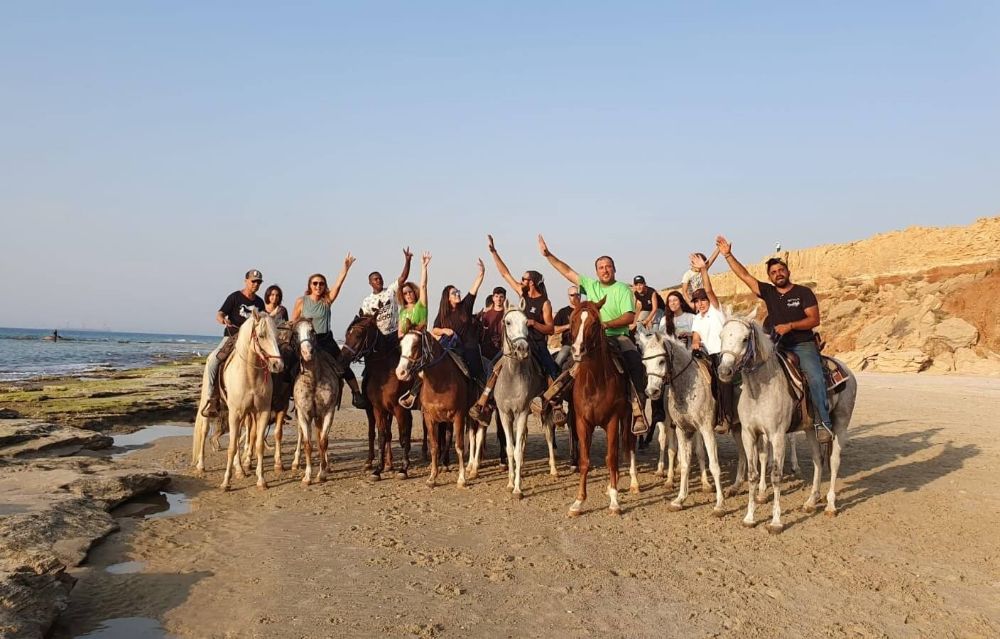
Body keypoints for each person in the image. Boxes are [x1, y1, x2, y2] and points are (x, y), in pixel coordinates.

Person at [716, 235, 834, 443]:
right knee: (746, 371)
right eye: (773, 273)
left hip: (801, 345)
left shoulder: (803, 292)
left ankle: (823, 422)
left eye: (781, 270)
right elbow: (745, 276)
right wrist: (728, 255)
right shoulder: (769, 292)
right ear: (770, 277)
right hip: (777, 345)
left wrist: (790, 326)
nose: (778, 274)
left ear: (788, 272)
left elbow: (814, 319)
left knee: (815, 377)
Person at [536, 234, 648, 434]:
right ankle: (555, 401)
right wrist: (548, 255)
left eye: (608, 266)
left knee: (634, 361)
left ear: (614, 269)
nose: (605, 270)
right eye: (601, 267)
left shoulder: (622, 289)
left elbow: (630, 317)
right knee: (566, 361)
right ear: (596, 272)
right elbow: (567, 271)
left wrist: (604, 325)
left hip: (617, 336)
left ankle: (638, 409)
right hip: (592, 338)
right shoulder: (591, 285)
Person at [470, 235, 562, 425]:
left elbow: (551, 328)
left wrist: (534, 324)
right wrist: (494, 252)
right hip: (516, 344)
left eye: (524, 279)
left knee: (551, 368)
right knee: (494, 367)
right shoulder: (522, 294)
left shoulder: (544, 303)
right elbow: (505, 273)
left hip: (536, 343)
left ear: (533, 282)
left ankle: (556, 406)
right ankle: (484, 404)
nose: (521, 281)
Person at [291, 254, 370, 409]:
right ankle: (287, 394)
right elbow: (294, 321)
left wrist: (345, 268)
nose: (318, 286)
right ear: (310, 285)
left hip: (326, 340)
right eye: (315, 283)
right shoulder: (301, 301)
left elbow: (338, 284)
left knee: (343, 365)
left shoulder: (327, 300)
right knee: (291, 364)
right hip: (307, 340)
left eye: (321, 283)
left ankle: (356, 393)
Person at [199, 269, 266, 416]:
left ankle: (268, 397)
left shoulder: (260, 302)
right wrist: (223, 320)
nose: (256, 284)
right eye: (253, 281)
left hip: (252, 341)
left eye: (258, 282)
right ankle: (212, 397)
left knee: (270, 360)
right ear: (246, 281)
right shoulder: (235, 297)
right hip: (232, 336)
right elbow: (220, 314)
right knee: (213, 360)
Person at [688, 253, 734, 434]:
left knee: (723, 382)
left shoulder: (716, 310)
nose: (700, 303)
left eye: (702, 300)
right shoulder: (697, 318)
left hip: (724, 353)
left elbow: (708, 289)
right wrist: (695, 344)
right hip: (708, 354)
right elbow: (696, 336)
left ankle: (727, 416)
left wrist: (704, 270)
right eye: (697, 301)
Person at [430, 258, 487, 385]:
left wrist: (481, 273)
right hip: (450, 346)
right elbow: (435, 329)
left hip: (468, 345)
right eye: (454, 293)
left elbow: (474, 289)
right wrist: (444, 330)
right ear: (448, 298)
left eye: (458, 292)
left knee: (475, 371)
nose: (457, 294)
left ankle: (482, 392)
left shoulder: (465, 306)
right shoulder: (443, 313)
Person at [359, 248, 413, 337]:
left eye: (380, 278)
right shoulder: (367, 301)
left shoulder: (391, 290)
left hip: (394, 333)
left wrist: (408, 261)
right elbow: (366, 321)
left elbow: (403, 277)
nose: (379, 280)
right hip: (379, 337)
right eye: (375, 279)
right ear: (370, 283)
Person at [398, 253, 431, 336]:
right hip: (405, 343)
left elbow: (423, 286)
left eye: (410, 292)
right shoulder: (402, 311)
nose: (408, 295)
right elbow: (400, 333)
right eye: (405, 293)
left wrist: (424, 267)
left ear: (414, 292)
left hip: (420, 342)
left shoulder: (421, 305)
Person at [553, 285, 581, 368]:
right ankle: (554, 378)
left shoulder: (586, 310)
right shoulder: (563, 312)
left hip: (585, 344)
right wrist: (568, 326)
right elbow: (554, 330)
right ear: (568, 296)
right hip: (568, 344)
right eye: (572, 295)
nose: (575, 297)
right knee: (559, 360)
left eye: (577, 294)